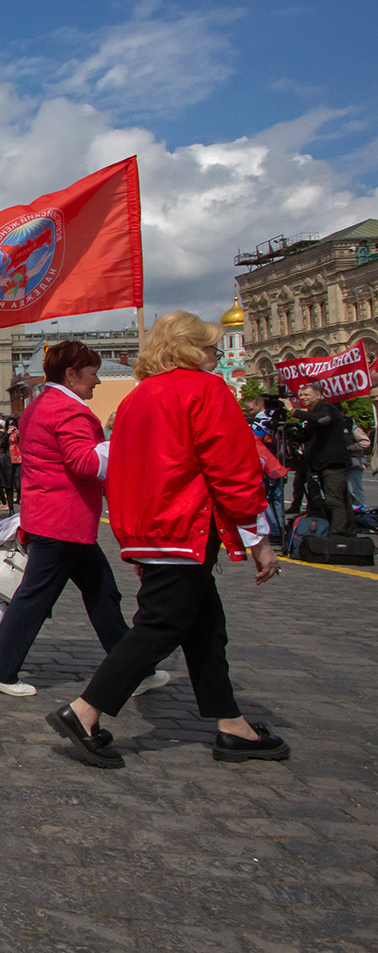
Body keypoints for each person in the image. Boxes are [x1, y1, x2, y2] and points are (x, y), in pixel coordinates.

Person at [48, 312, 288, 767]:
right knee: (160, 626)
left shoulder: (138, 397)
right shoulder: (205, 389)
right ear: (190, 349)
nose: (215, 355)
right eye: (211, 347)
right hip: (186, 524)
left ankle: (232, 724)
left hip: (151, 528)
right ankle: (84, 711)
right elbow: (232, 468)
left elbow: (122, 469)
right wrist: (258, 539)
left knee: (205, 626)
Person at [0, 341, 167, 698]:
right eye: (93, 374)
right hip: (63, 520)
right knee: (43, 596)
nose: (97, 382)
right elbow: (86, 463)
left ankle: (134, 670)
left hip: (54, 516)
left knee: (101, 593)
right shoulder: (67, 410)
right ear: (71, 374)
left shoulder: (40, 405)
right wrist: (122, 443)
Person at [290, 382, 353, 535]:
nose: (303, 398)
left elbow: (323, 420)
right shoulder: (313, 413)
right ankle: (348, 531)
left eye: (306, 395)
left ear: (318, 395)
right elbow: (305, 436)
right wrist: (290, 431)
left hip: (333, 462)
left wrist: (294, 412)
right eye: (301, 395)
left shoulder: (326, 408)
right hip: (321, 462)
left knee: (334, 499)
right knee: (340, 498)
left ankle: (339, 531)